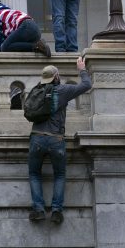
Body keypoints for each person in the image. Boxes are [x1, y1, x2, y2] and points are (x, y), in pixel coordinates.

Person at [28, 57, 92, 225]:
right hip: (56, 139)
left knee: (34, 174)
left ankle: (38, 209)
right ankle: (56, 211)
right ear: (56, 77)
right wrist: (82, 69)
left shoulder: (36, 90)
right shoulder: (62, 90)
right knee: (60, 174)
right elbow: (86, 85)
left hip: (36, 137)